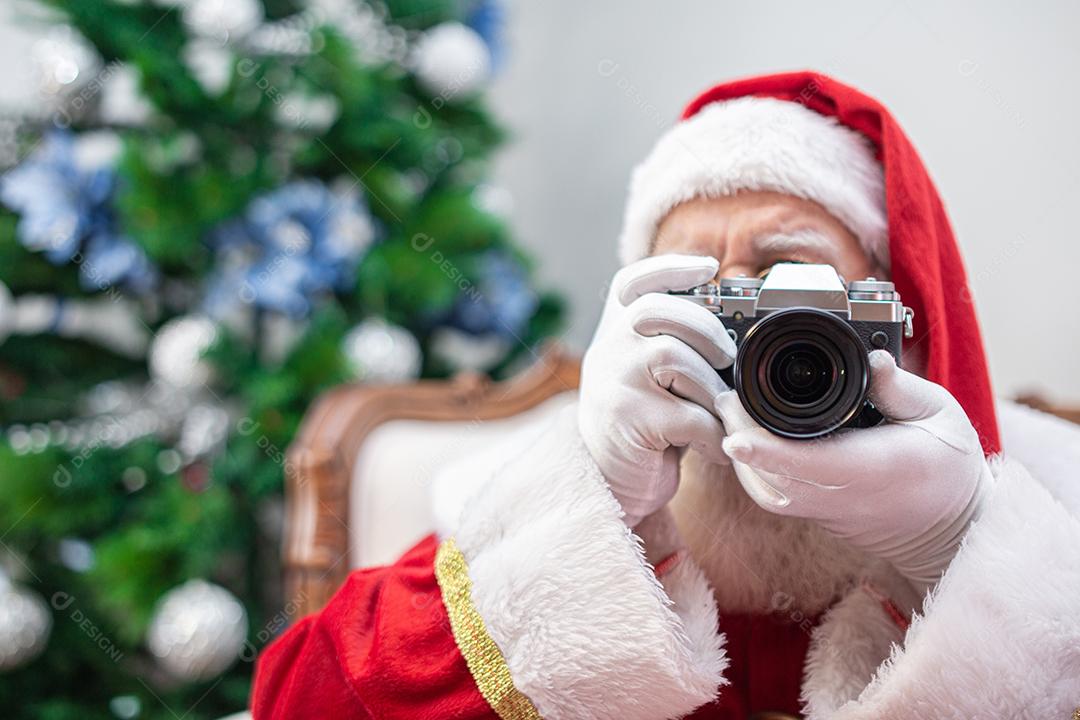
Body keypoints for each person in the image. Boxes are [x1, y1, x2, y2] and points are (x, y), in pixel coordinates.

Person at [250, 72, 1080, 719]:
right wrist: (596, 500)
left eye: (790, 276)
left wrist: (957, 551)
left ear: (900, 318)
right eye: (700, 291)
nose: (747, 330)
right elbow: (297, 703)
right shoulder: (529, 507)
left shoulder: (1054, 511)